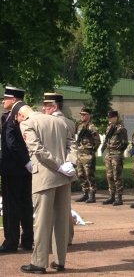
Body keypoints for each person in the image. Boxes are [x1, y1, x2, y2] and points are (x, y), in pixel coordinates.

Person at [18, 104, 77, 274]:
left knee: (42, 221)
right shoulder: (60, 121)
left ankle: (39, 262)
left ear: (21, 114)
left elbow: (37, 149)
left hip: (45, 176)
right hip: (64, 176)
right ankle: (60, 261)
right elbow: (72, 144)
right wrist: (69, 163)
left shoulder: (27, 123)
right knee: (61, 220)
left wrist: (59, 166)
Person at [0, 87, 33, 253]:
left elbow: (11, 143)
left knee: (11, 207)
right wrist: (28, 162)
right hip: (25, 169)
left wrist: (24, 161)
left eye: (5, 98)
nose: (2, 101)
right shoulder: (28, 117)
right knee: (26, 204)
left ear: (13, 100)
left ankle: (11, 242)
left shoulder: (9, 118)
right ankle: (27, 240)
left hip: (12, 169)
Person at [42, 92, 76, 245]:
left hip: (52, 168)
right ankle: (67, 237)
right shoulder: (69, 122)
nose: (44, 109)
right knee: (64, 207)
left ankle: (51, 241)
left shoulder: (49, 122)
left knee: (50, 209)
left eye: (46, 106)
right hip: (67, 168)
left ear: (54, 107)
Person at [102, 110, 128, 206]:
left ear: (116, 117)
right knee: (109, 176)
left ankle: (119, 197)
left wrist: (118, 150)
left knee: (117, 176)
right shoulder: (108, 128)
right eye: (109, 117)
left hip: (116, 155)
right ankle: (111, 195)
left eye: (111, 117)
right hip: (109, 155)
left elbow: (125, 143)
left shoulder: (121, 129)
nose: (109, 119)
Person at [75, 107, 101, 203]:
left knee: (90, 175)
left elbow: (97, 141)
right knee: (81, 174)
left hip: (88, 154)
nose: (82, 116)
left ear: (89, 116)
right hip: (80, 154)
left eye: (84, 114)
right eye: (81, 114)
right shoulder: (80, 127)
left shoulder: (92, 127)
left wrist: (92, 151)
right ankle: (85, 193)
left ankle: (92, 194)